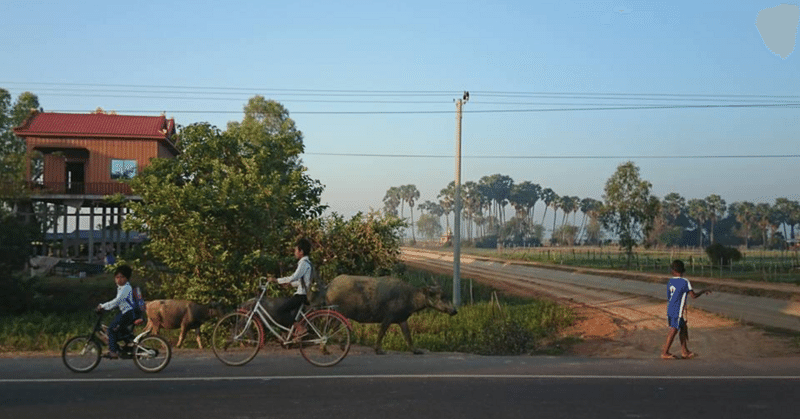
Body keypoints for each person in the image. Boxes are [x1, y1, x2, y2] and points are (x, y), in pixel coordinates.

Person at [661, 259, 711, 359]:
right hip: (678, 310)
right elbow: (693, 295)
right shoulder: (685, 282)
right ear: (682, 271)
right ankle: (665, 352)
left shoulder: (670, 281)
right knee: (674, 330)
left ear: (673, 271)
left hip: (670, 308)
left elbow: (669, 296)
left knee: (683, 328)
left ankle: (685, 351)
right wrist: (703, 291)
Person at [268, 238, 313, 340]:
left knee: (279, 312)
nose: (294, 253)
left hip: (301, 295)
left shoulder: (304, 263)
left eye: (295, 250)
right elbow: (301, 282)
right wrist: (290, 284)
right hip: (302, 293)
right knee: (288, 314)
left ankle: (300, 329)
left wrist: (276, 280)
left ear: (301, 251)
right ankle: (290, 336)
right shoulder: (307, 263)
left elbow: (294, 277)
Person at [96, 264, 136, 359]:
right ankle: (127, 346)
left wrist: (103, 306)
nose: (119, 279)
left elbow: (117, 301)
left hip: (127, 313)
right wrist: (107, 307)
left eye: (122, 277)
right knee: (119, 331)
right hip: (125, 312)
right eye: (117, 277)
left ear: (127, 278)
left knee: (111, 330)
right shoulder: (121, 288)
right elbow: (118, 302)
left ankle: (113, 352)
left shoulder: (126, 288)